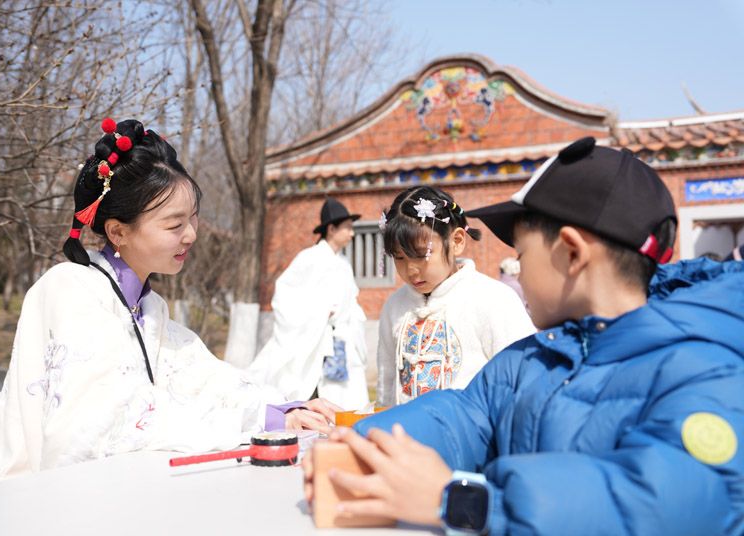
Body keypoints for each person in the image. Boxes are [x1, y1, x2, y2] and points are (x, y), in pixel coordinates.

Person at [304, 138, 744, 535]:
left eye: (522, 253)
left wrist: (464, 502)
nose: (516, 269)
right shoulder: (531, 360)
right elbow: (460, 418)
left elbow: (663, 503)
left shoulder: (707, 371)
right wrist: (362, 445)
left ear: (571, 252)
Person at [0, 118, 336, 493]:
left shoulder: (150, 309)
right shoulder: (69, 290)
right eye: (174, 225)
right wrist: (252, 421)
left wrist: (279, 412)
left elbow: (204, 381)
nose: (191, 235)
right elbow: (103, 421)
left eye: (193, 219)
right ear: (118, 231)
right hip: (8, 496)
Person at [375, 186, 533, 407]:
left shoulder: (493, 299)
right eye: (399, 258)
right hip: (402, 428)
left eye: (421, 255)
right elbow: (387, 382)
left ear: (457, 241)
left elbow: (523, 379)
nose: (411, 269)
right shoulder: (394, 306)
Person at [248, 197, 369, 410]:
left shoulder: (343, 264)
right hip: (311, 339)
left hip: (340, 340)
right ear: (331, 229)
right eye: (348, 228)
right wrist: (320, 313)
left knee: (343, 397)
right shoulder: (309, 258)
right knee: (307, 393)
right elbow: (285, 296)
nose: (352, 234)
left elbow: (351, 300)